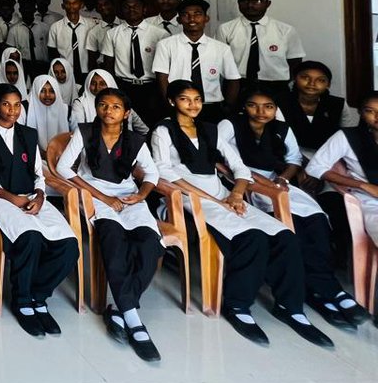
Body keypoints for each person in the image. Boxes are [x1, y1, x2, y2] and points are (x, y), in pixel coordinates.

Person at [151, 82, 332, 347]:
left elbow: (239, 167)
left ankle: (290, 306)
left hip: (222, 196)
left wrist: (235, 194)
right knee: (252, 237)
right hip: (189, 198)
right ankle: (237, 305)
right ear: (171, 102)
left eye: (198, 99)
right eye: (185, 99)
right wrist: (213, 199)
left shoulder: (211, 130)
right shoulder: (163, 131)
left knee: (284, 235)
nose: (193, 105)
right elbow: (163, 171)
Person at [226, 89, 365, 328]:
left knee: (316, 219)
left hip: (277, 181)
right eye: (254, 105)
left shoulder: (281, 129)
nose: (261, 112)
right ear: (244, 107)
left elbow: (293, 160)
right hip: (246, 181)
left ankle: (322, 285)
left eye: (268, 106)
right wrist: (259, 183)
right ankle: (327, 289)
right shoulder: (230, 125)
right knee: (289, 226)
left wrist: (282, 180)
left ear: (275, 108)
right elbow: (220, 157)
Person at [54, 88, 163, 361]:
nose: (108, 111)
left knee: (151, 245)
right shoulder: (85, 132)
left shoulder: (136, 140)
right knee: (114, 242)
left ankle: (119, 308)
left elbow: (152, 172)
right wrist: (101, 196)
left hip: (127, 195)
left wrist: (141, 195)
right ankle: (133, 318)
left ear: (126, 113)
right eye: (103, 105)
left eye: (115, 107)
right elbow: (63, 168)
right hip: (95, 195)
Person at [0, 84, 79, 337]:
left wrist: (39, 196)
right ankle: (22, 301)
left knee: (69, 244)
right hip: (0, 198)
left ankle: (38, 296)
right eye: (6, 104)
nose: (13, 110)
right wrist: (11, 198)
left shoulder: (28, 134)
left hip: (32, 197)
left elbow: (39, 173)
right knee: (30, 238)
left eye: (17, 105)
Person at [305, 90, 378, 253]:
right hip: (371, 202)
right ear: (360, 112)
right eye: (370, 111)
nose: (377, 117)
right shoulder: (348, 137)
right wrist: (362, 185)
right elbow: (315, 167)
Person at [154, 0, 240, 122]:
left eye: (197, 14)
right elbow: (162, 78)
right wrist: (170, 105)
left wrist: (228, 106)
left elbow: (233, 79)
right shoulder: (165, 45)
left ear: (206, 18)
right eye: (185, 15)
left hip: (212, 106)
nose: (192, 19)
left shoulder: (221, 48)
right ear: (179, 20)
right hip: (180, 106)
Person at [216, 0, 305, 99]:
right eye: (244, 1)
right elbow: (219, 61)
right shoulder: (225, 29)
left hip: (276, 86)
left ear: (268, 4)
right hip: (237, 85)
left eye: (257, 1)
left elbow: (295, 61)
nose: (250, 5)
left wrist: (285, 82)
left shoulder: (285, 30)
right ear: (238, 3)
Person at [99, 0, 168, 127]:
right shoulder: (112, 33)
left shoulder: (160, 34)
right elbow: (108, 64)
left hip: (151, 87)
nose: (131, 10)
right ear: (121, 11)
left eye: (136, 6)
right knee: (126, 124)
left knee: (153, 123)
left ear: (144, 9)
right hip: (124, 86)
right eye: (127, 7)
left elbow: (166, 66)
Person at [277, 61, 358, 152]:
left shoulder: (337, 104)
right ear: (295, 79)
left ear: (328, 84)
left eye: (320, 80)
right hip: (287, 155)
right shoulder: (279, 102)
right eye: (305, 77)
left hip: (328, 155)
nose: (312, 83)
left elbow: (347, 134)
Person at [69, 69, 149, 136]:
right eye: (93, 83)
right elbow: (77, 130)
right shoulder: (80, 103)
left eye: (102, 84)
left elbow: (143, 129)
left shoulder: (121, 102)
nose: (97, 87)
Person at [46, 0, 97, 82]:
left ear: (81, 5)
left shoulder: (91, 25)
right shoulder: (55, 27)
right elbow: (52, 52)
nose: (71, 6)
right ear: (63, 6)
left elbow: (97, 49)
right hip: (65, 72)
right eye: (68, 3)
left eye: (75, 3)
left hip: (87, 71)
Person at [22, 75, 70, 152]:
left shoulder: (66, 110)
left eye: (51, 91)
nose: (47, 95)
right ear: (36, 91)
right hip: (31, 156)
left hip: (59, 157)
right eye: (42, 91)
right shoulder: (24, 108)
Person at [7, 0, 48, 76]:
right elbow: (10, 51)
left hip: (42, 66)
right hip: (23, 66)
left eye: (29, 8)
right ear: (20, 10)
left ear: (34, 9)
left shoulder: (45, 28)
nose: (27, 11)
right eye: (24, 8)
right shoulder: (14, 30)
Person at [85, 0, 121, 69]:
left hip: (124, 69)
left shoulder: (125, 25)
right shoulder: (94, 31)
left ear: (113, 5)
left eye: (106, 4)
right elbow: (92, 58)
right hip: (104, 67)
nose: (103, 7)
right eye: (99, 5)